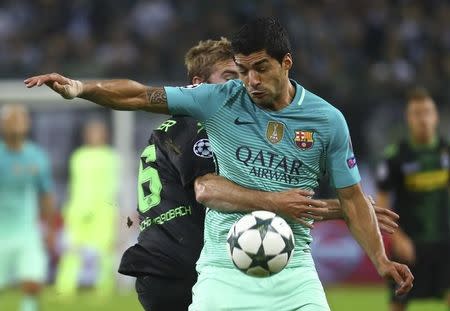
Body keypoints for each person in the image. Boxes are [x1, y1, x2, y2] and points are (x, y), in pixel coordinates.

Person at [24, 18, 413, 310]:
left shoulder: (327, 121)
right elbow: (140, 95)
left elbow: (352, 197)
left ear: (287, 63)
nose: (250, 81)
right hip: (222, 269)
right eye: (242, 70)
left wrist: (381, 259)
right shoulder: (220, 99)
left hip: (293, 269)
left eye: (260, 68)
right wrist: (81, 88)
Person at [376, 88, 450, 311]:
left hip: (444, 241)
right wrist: (397, 238)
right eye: (417, 113)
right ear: (409, 118)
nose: (423, 119)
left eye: (427, 112)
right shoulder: (396, 156)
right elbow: (381, 202)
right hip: (409, 242)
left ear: (436, 116)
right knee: (399, 303)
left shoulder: (446, 151)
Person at [0, 104, 56, 311]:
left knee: (32, 284)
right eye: (12, 118)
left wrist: (50, 229)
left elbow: (46, 194)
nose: (17, 122)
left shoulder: (36, 156)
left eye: (21, 118)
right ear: (3, 125)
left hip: (27, 233)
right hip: (1, 233)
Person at [55, 119, 119, 297]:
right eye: (92, 132)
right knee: (72, 249)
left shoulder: (112, 157)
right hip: (79, 208)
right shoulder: (78, 156)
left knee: (104, 250)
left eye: (98, 132)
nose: (95, 136)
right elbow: (74, 185)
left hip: (103, 210)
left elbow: (114, 186)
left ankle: (104, 289)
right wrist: (70, 209)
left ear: (105, 135)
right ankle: (64, 288)